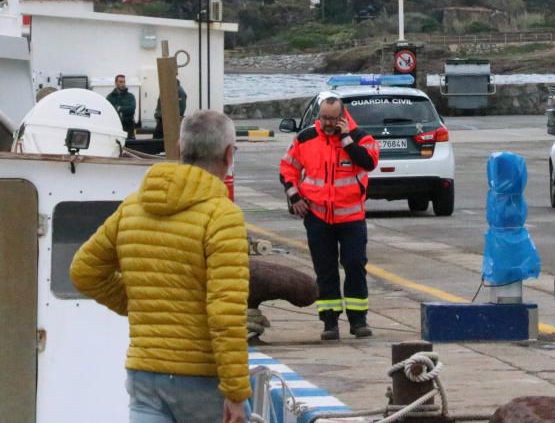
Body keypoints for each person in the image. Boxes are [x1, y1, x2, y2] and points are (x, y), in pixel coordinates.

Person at [70, 110, 250, 423]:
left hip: (145, 374)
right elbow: (226, 313)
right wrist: (235, 391)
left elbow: (84, 270)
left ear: (180, 148)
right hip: (202, 379)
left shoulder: (133, 207)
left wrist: (137, 303)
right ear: (228, 154)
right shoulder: (222, 216)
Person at [280, 97, 380, 340]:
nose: (327, 123)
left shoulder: (361, 138)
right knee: (325, 270)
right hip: (317, 216)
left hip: (351, 217)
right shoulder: (305, 138)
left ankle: (358, 321)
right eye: (324, 118)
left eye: (333, 119)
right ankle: (329, 322)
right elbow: (287, 169)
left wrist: (346, 139)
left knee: (355, 264)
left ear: (342, 118)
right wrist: (295, 198)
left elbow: (369, 163)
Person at [106, 74, 137, 139]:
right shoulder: (110, 97)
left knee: (130, 145)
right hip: (115, 127)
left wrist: (119, 108)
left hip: (129, 127)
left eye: (124, 82)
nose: (123, 84)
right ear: (116, 83)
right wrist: (124, 109)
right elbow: (109, 110)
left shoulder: (130, 96)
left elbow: (132, 109)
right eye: (120, 82)